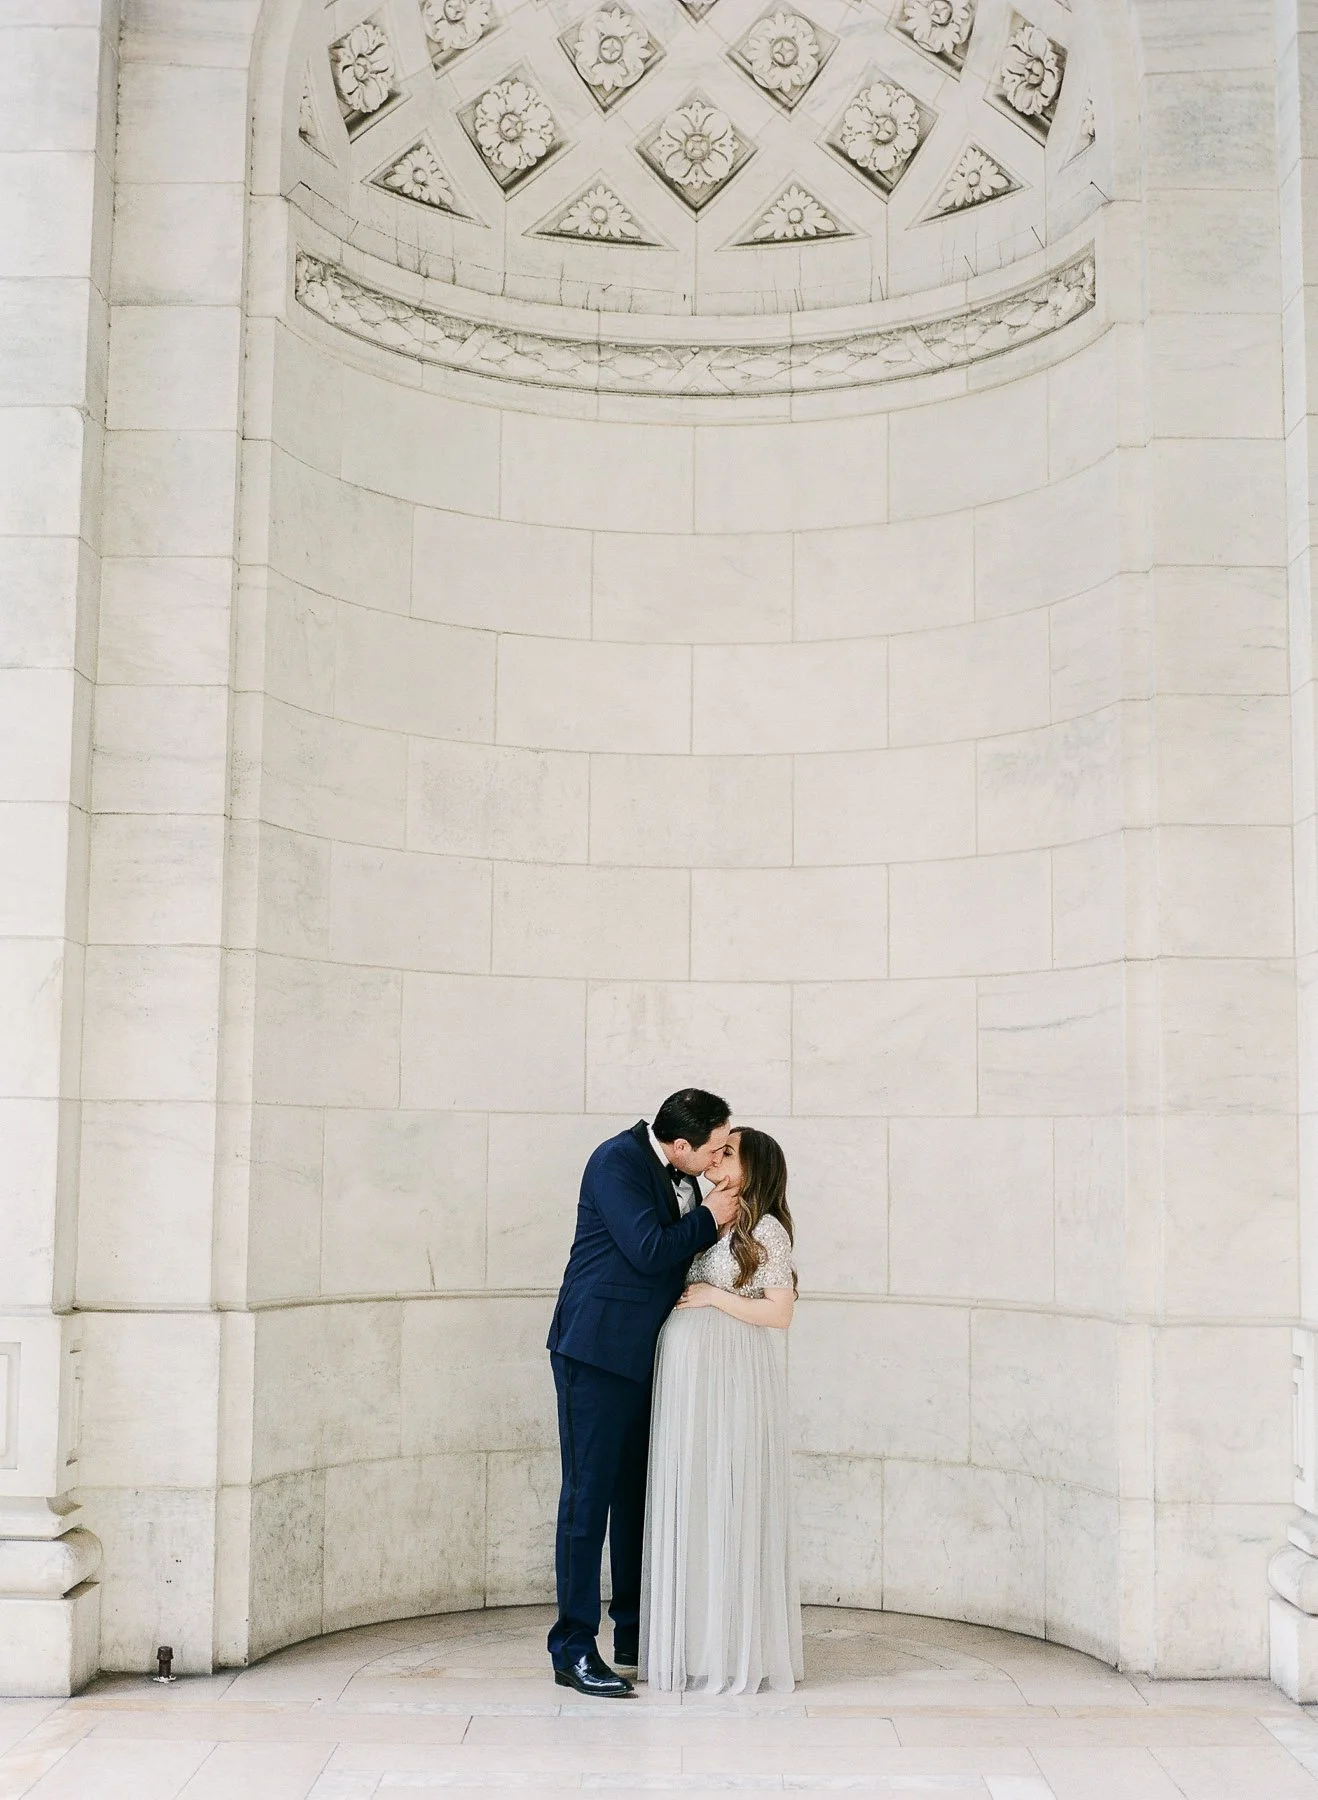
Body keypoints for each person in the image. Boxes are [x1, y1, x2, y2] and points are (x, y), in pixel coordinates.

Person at [545, 1089, 738, 1698]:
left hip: (647, 1358)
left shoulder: (678, 1170)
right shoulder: (615, 1162)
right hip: (596, 1352)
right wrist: (711, 1217)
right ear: (679, 1145)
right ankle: (573, 1648)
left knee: (637, 1499)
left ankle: (632, 1633)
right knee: (588, 1502)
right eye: (711, 1148)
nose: (716, 1159)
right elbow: (649, 1251)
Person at [640, 1125, 802, 1694]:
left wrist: (713, 1297)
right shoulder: (702, 1212)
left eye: (727, 1153)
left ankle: (735, 1645)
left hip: (731, 1374)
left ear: (753, 1169)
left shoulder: (766, 1229)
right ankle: (690, 1641)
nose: (715, 1158)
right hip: (688, 1373)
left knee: (729, 1492)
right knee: (692, 1493)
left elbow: (779, 1312)